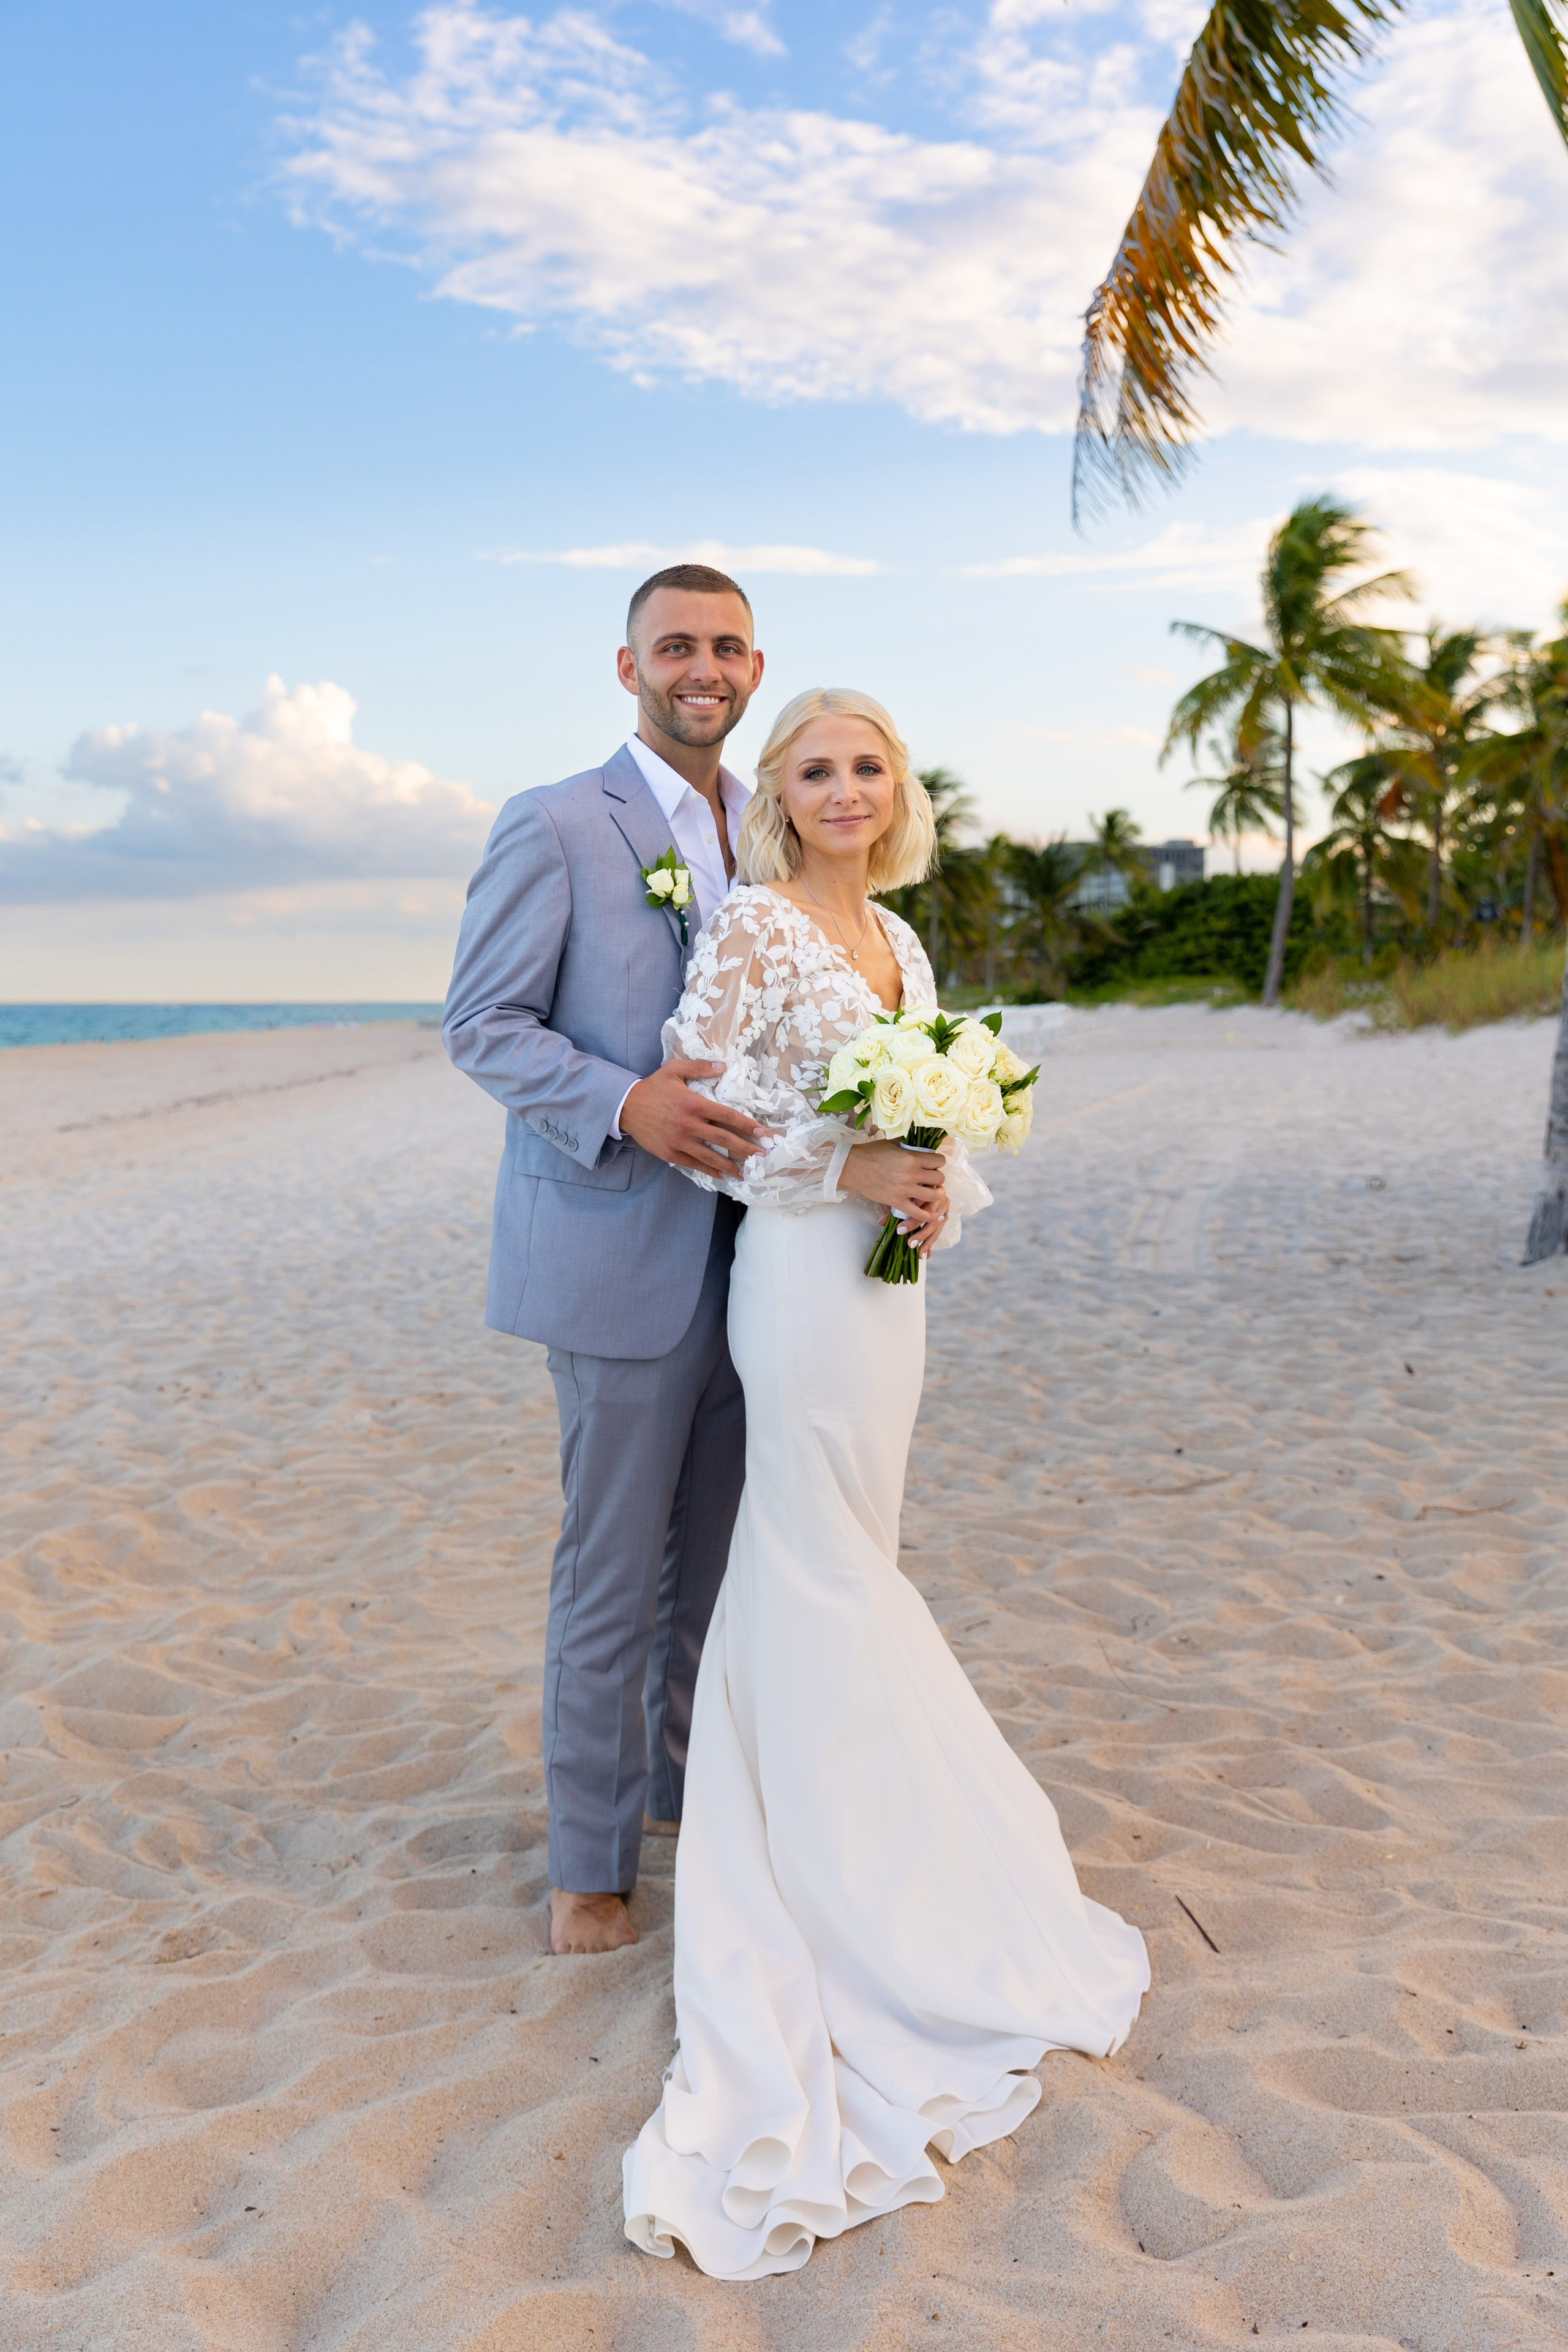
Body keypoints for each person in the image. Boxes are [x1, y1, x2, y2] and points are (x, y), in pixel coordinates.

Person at [621, 687, 1150, 2279]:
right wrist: (844, 1170)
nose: (845, 789)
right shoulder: (752, 929)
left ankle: (879, 1852)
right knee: (813, 1555)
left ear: (895, 791)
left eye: (868, 767)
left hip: (885, 1293)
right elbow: (705, 1120)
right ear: (777, 793)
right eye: (815, 768)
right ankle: (825, 1890)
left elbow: (930, 1116)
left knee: (857, 1547)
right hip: (792, 1280)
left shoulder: (905, 947)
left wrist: (931, 1185)